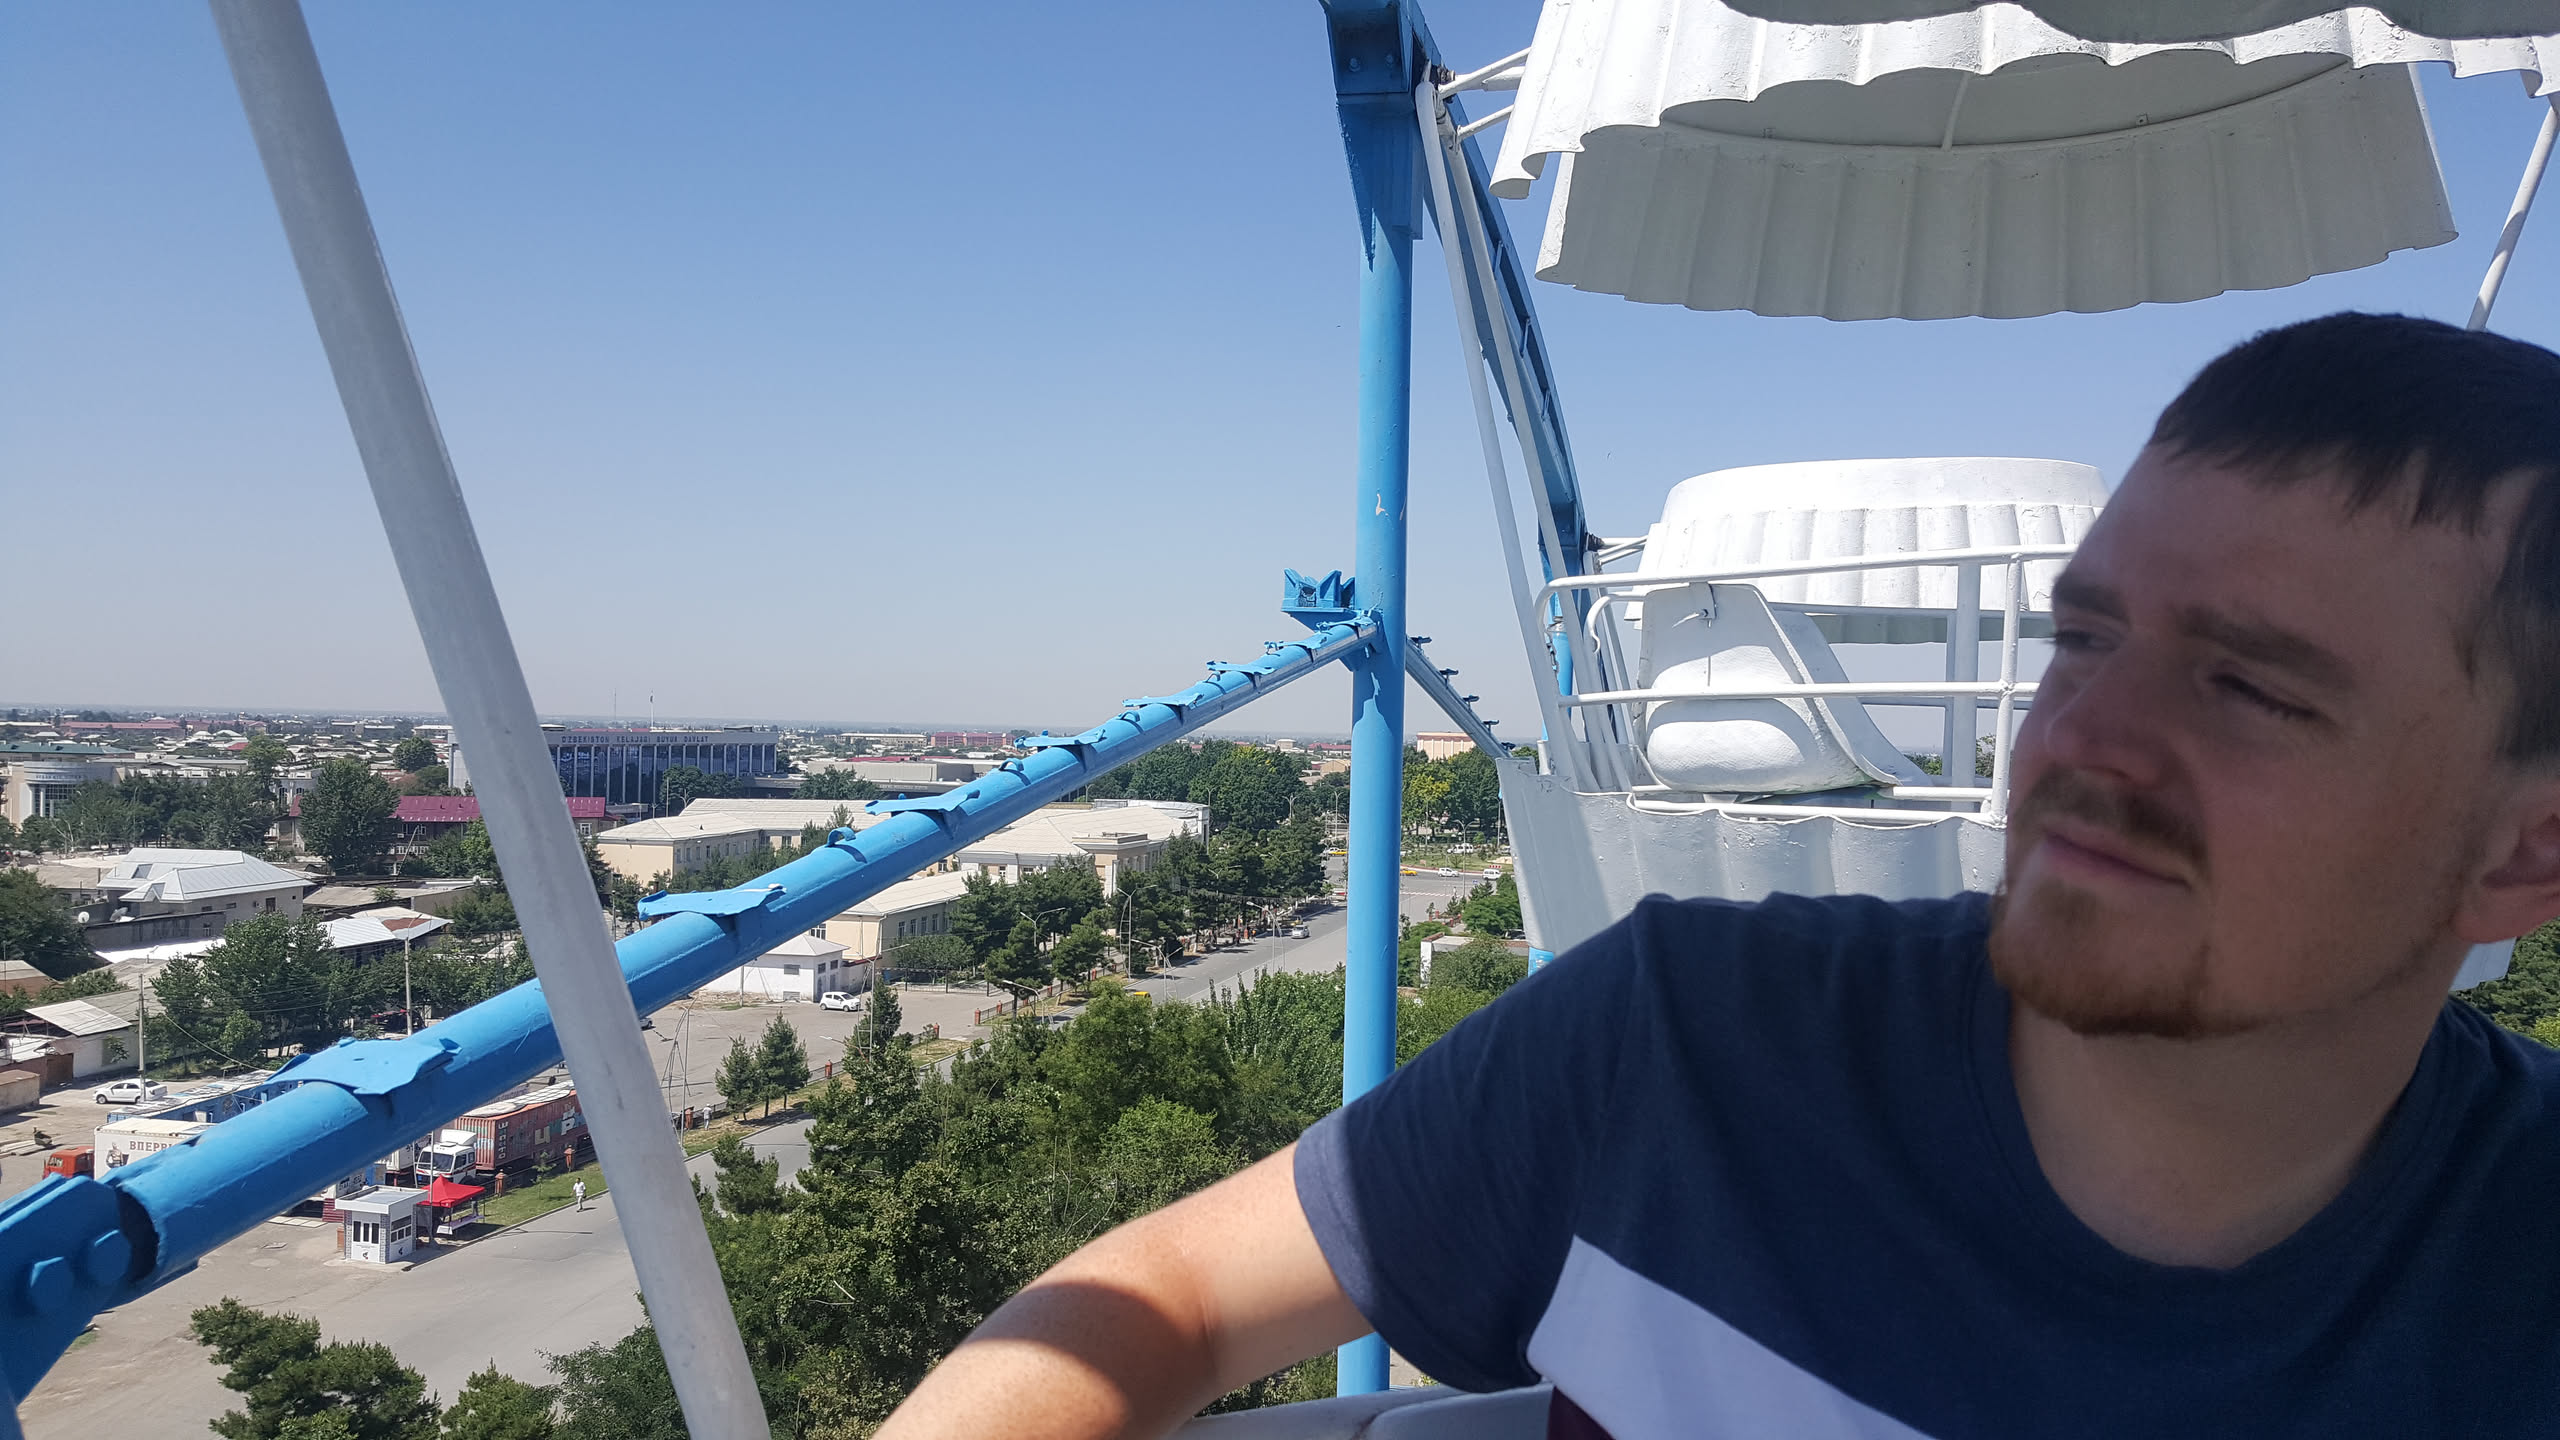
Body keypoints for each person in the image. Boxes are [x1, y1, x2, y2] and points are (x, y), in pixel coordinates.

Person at [876, 313, 2560, 1439]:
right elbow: (1159, 1298)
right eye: (2085, 636)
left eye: (2251, 688)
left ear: (2529, 849)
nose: (2078, 738)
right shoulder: (1691, 1042)